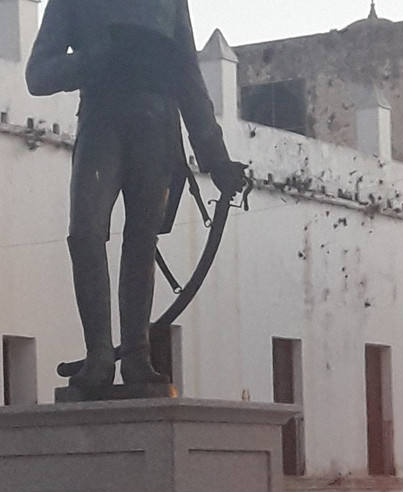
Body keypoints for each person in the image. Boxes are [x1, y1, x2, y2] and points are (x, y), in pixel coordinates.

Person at [26, 0, 247, 388]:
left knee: (141, 241)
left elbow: (188, 77)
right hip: (101, 122)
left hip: (157, 127)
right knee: (86, 233)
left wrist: (216, 157)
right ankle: (98, 357)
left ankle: (135, 356)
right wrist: (102, 55)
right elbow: (38, 75)